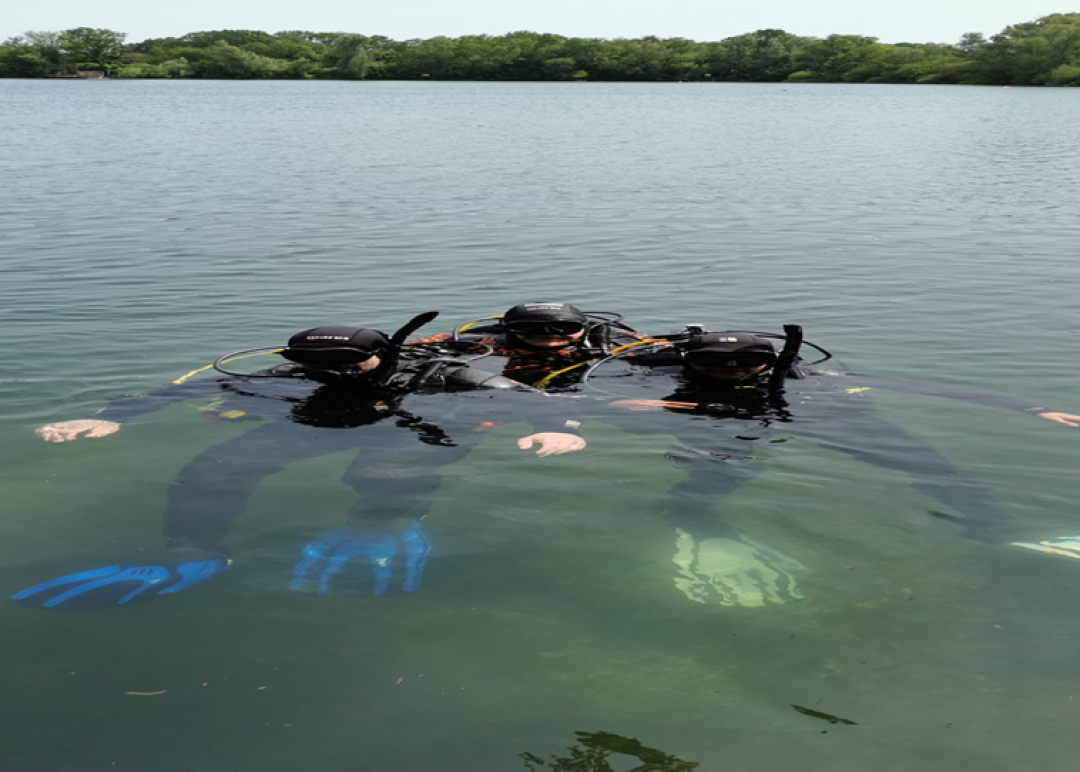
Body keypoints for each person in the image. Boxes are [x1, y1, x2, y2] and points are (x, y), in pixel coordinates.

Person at [15, 313, 586, 609]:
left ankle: (380, 524)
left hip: (409, 427)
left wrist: (560, 431)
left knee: (384, 470)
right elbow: (179, 390)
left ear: (380, 355)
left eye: (345, 366)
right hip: (320, 423)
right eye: (317, 366)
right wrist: (114, 415)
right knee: (217, 466)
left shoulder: (446, 372)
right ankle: (194, 554)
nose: (329, 373)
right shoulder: (306, 371)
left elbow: (532, 400)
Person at [587, 325, 1080, 607]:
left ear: (769, 361)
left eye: (744, 366)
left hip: (819, 416)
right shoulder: (661, 377)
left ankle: (996, 531)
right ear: (691, 363)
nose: (730, 373)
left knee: (929, 464)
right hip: (725, 429)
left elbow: (920, 388)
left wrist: (1030, 408)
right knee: (713, 475)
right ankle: (702, 527)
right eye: (715, 366)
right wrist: (648, 408)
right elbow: (591, 399)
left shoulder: (804, 376)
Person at [412, 302, 650, 390]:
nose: (548, 335)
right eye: (530, 328)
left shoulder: (619, 343)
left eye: (563, 328)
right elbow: (409, 348)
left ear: (584, 328)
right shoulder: (481, 343)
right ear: (509, 329)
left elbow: (670, 350)